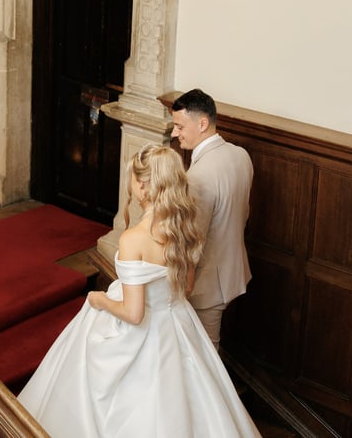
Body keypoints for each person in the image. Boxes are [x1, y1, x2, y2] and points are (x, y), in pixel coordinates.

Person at [18, 144, 261, 438]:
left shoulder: (133, 239)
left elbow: (134, 314)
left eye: (132, 178)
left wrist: (100, 299)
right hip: (177, 321)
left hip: (141, 329)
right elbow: (186, 288)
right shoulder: (183, 230)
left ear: (143, 187)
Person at [170, 88, 254, 349]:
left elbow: (193, 243)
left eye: (179, 126)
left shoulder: (197, 178)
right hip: (233, 269)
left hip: (207, 284)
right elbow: (243, 213)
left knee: (204, 355)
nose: (174, 133)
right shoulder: (241, 155)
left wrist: (182, 288)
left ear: (203, 124)